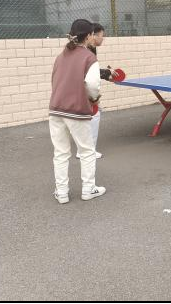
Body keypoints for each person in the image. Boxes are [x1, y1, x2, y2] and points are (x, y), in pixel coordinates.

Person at [49, 19, 106, 203]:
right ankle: (88, 189)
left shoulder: (60, 57)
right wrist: (94, 99)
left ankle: (62, 192)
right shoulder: (89, 58)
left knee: (60, 153)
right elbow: (92, 85)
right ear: (88, 36)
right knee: (87, 151)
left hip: (56, 109)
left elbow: (54, 80)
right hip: (77, 111)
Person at [79, 23, 114, 160]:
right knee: (94, 115)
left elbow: (91, 71)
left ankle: (84, 150)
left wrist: (106, 74)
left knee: (88, 118)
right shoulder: (87, 50)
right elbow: (88, 73)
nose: (103, 39)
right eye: (102, 36)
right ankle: (88, 151)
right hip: (83, 90)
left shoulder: (88, 49)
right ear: (92, 35)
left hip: (75, 91)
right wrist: (94, 98)